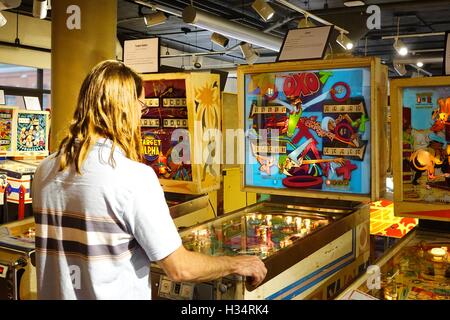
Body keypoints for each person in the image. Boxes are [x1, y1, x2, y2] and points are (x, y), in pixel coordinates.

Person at [32, 60, 267, 300]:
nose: (141, 118)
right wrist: (235, 263)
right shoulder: (133, 177)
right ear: (125, 108)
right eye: (141, 107)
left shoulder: (44, 170)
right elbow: (180, 268)